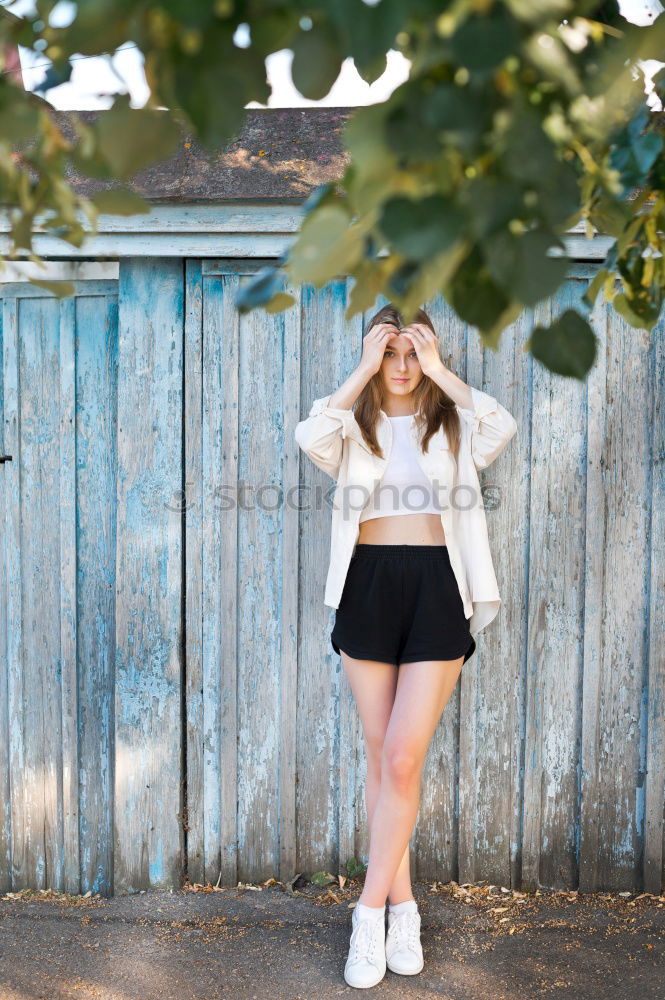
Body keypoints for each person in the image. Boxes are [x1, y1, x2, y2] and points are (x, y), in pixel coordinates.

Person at [294, 303, 518, 989]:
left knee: (401, 754)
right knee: (381, 759)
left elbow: (500, 426)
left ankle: (368, 914)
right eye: (387, 355)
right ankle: (405, 906)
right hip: (366, 584)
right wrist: (361, 367)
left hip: (436, 586)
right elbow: (309, 437)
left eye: (407, 355)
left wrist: (440, 368)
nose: (398, 368)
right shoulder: (350, 424)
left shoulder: (453, 422)